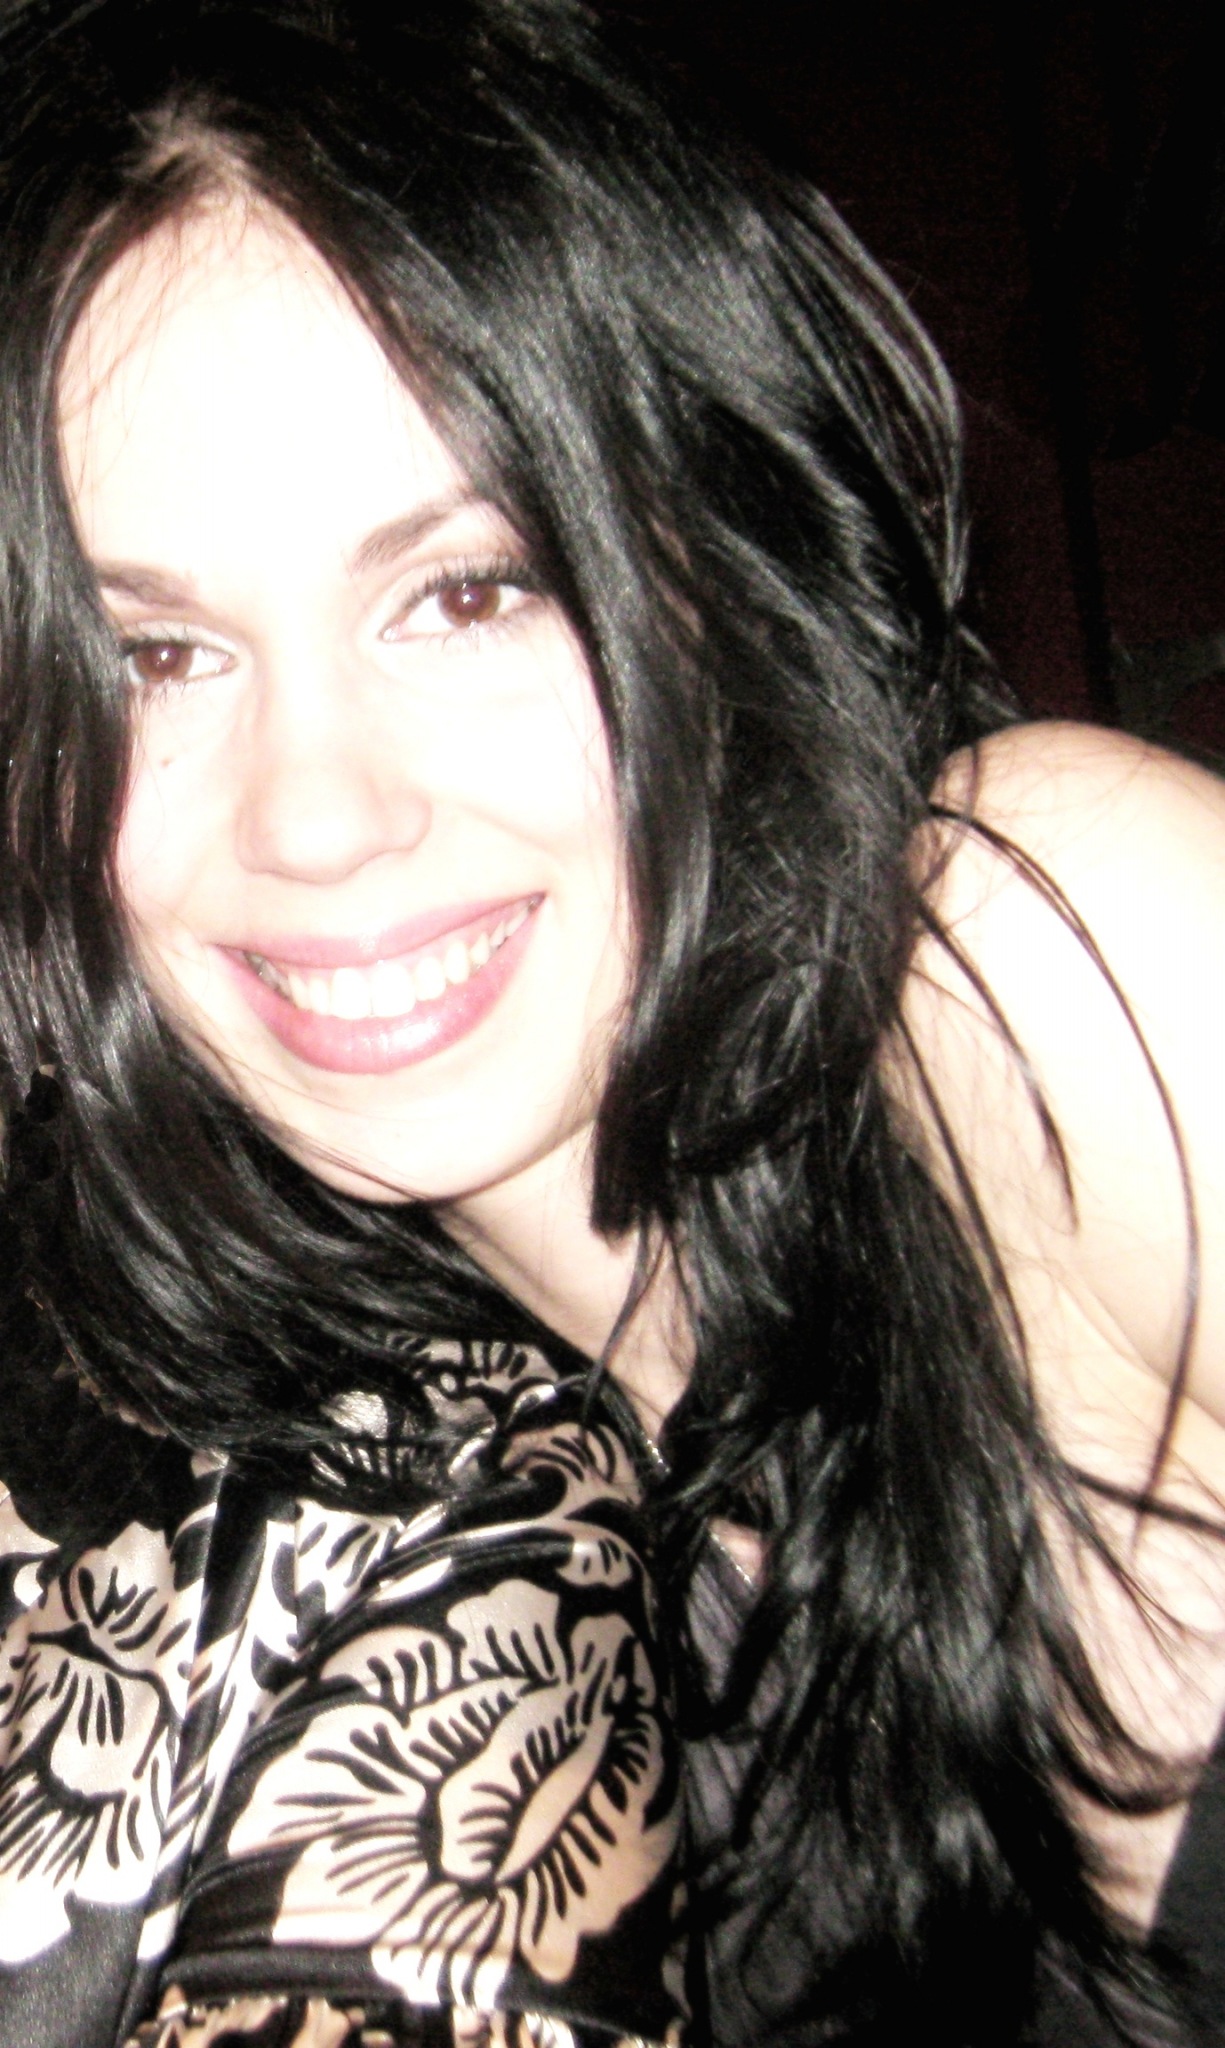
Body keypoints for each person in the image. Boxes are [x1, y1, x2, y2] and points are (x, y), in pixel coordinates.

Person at [0, 1, 1224, 2044]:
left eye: (467, 589)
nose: (316, 816)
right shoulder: (372, 1535)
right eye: (156, 657)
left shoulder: (1037, 960)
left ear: (715, 562)